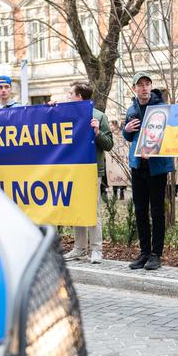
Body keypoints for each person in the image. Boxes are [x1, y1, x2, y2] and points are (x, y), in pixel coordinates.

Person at [50, 81, 113, 264]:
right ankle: (79, 248)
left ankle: (96, 249)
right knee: (77, 208)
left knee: (93, 210)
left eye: (70, 93)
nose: (68, 96)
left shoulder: (99, 116)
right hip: (72, 170)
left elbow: (109, 145)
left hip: (92, 169)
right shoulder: (65, 113)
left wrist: (97, 132)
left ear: (79, 97)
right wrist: (50, 110)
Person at [122, 72, 174, 270]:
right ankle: (144, 252)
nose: (144, 88)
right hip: (138, 165)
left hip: (157, 167)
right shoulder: (131, 108)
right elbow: (128, 136)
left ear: (151, 87)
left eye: (147, 84)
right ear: (134, 88)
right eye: (140, 85)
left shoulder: (161, 108)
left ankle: (156, 254)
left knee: (157, 211)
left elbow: (169, 134)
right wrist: (126, 129)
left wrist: (152, 150)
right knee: (140, 211)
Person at [109, 119, 129, 200]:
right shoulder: (111, 135)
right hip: (113, 158)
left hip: (121, 157)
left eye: (111, 125)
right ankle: (114, 192)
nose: (110, 127)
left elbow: (124, 145)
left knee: (121, 174)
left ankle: (121, 192)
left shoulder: (121, 134)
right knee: (113, 174)